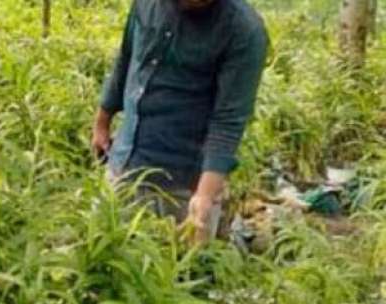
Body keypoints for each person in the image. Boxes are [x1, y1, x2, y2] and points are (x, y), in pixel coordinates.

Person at [92, 0, 269, 242]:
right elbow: (125, 60)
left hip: (184, 189)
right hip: (124, 165)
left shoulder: (244, 30)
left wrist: (204, 197)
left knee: (179, 272)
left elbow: (228, 121)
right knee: (102, 259)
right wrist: (102, 122)